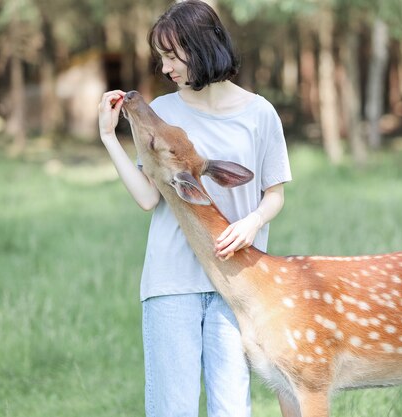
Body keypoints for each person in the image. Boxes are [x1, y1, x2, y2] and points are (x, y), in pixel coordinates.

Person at [98, 1, 292, 415]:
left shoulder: (260, 114)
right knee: (174, 408)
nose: (166, 68)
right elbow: (149, 198)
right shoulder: (163, 112)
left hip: (236, 283)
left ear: (202, 46)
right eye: (162, 58)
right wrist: (110, 138)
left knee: (231, 408)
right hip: (171, 283)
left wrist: (252, 221)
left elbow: (274, 195)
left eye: (172, 56)